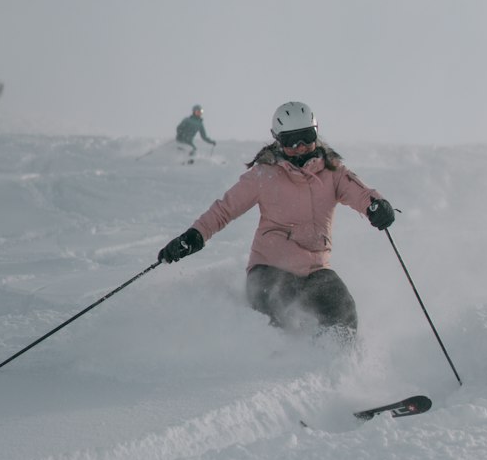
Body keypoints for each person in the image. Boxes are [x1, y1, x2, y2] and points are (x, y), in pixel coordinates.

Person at [157, 100, 395, 335]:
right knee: (276, 312)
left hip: (315, 272)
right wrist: (194, 236)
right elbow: (224, 210)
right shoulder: (264, 174)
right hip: (268, 271)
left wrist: (376, 206)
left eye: (306, 137)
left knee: (344, 312)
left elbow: (360, 193)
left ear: (316, 134)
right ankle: (274, 366)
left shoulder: (332, 172)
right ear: (278, 140)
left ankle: (331, 363)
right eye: (292, 141)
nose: (300, 146)